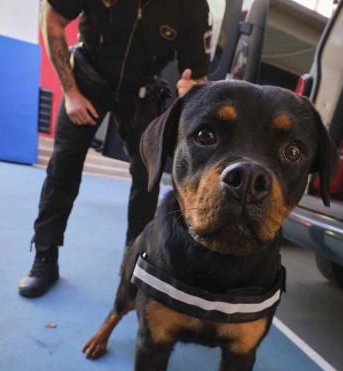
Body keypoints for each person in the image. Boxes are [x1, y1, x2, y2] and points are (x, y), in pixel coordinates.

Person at [18, 0, 212, 298]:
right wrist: (70, 93)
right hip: (86, 81)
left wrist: (191, 90)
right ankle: (45, 257)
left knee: (148, 176)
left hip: (141, 92)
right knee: (63, 168)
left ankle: (135, 265)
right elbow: (53, 18)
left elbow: (194, 76)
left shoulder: (192, 6)